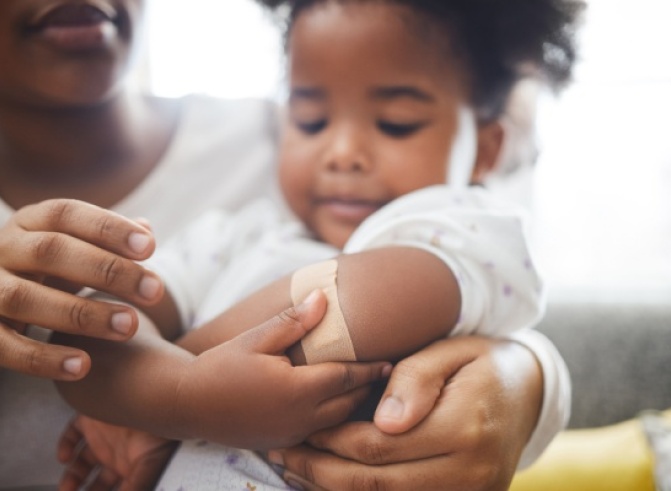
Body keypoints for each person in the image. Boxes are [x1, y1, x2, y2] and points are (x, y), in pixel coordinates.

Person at [0, 0, 578, 489]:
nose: (342, 151)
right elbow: (91, 338)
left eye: (396, 123)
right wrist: (181, 396)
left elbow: (356, 305)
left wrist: (164, 395)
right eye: (310, 120)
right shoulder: (236, 234)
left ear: (484, 148)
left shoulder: (467, 227)